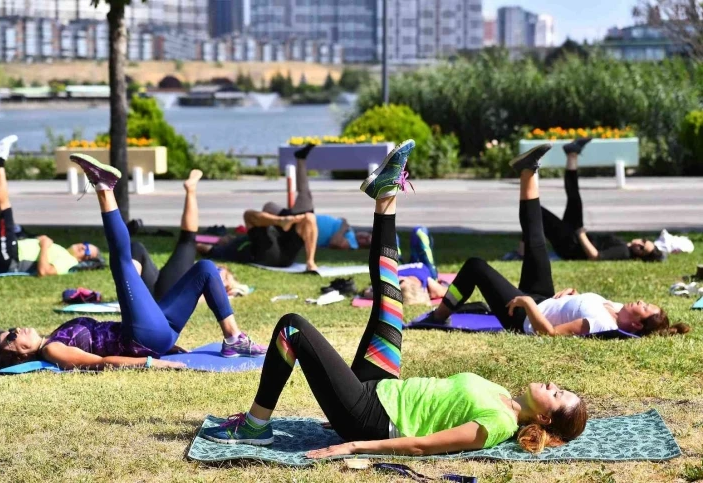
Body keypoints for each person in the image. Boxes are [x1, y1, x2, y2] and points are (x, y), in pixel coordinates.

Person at [199, 139, 588, 457]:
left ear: (547, 419)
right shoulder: (503, 396)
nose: (553, 384)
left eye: (557, 394)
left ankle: (255, 426)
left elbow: (421, 445)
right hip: (382, 388)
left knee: (292, 328)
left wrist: (355, 446)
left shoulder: (498, 424)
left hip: (370, 417)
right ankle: (385, 196)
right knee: (390, 302)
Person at [0, 154, 266, 371]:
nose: (18, 329)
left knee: (205, 269)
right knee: (122, 263)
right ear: (20, 354)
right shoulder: (52, 350)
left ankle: (233, 338)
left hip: (156, 330)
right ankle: (104, 188)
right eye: (12, 336)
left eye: (11, 328)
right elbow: (102, 362)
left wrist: (169, 349)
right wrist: (157, 364)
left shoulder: (53, 337)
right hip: (142, 339)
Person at [421, 144, 690, 337]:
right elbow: (578, 307)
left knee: (476, 267)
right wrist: (573, 294)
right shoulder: (618, 310)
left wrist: (526, 304)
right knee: (537, 240)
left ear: (637, 325)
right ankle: (528, 170)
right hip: (543, 299)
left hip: (524, 317)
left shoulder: (601, 324)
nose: (640, 301)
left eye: (643, 308)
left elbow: (549, 333)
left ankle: (439, 316)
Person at [0, 135, 101, 276]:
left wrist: (44, 246)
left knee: (3, 206)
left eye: (87, 251)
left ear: (86, 260)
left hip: (8, 258)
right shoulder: (61, 250)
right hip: (3, 252)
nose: (82, 248)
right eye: (85, 244)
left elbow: (44, 271)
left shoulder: (69, 261)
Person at [538, 138, 664, 262]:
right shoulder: (625, 247)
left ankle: (524, 249)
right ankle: (572, 154)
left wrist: (581, 234)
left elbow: (596, 256)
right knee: (574, 198)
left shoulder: (624, 252)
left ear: (639, 256)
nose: (639, 244)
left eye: (642, 249)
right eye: (644, 241)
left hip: (571, 245)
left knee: (537, 211)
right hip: (574, 239)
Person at [128, 169, 248, 300]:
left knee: (188, 240)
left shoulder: (223, 283)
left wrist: (228, 285)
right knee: (136, 247)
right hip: (159, 291)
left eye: (223, 277)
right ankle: (130, 296)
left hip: (170, 296)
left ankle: (191, 191)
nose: (222, 277)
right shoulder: (205, 266)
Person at [200, 144, 319, 272]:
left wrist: (224, 239)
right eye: (223, 239)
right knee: (248, 215)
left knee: (301, 215)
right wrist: (202, 244)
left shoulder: (240, 239)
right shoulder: (226, 250)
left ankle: (300, 160)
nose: (226, 237)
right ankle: (309, 260)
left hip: (281, 238)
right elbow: (201, 247)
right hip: (269, 255)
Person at [360, 226, 448, 304]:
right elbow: (444, 291)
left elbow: (368, 292)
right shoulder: (428, 284)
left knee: (387, 233)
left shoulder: (389, 283)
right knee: (419, 231)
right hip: (423, 266)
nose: (398, 279)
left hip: (396, 266)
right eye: (400, 282)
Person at [260, 206, 372, 251]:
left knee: (271, 211)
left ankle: (262, 231)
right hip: (303, 217)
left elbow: (335, 242)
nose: (364, 237)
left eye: (366, 241)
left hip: (303, 226)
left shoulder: (353, 244)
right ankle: (263, 228)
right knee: (269, 207)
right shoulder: (351, 232)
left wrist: (343, 226)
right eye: (367, 235)